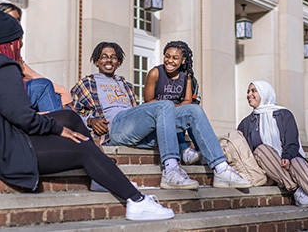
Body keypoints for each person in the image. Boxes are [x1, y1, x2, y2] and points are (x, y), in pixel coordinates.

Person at [0, 11, 173, 221]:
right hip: (1, 149)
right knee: (82, 148)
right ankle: (136, 201)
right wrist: (57, 130)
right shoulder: (5, 67)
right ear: (11, 41)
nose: (21, 45)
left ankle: (100, 174)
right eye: (19, 40)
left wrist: (60, 125)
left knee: (69, 116)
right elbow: (24, 118)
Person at [71, 42, 252, 190]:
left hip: (134, 128)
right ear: (96, 60)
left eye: (113, 57)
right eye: (104, 56)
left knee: (193, 110)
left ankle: (221, 169)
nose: (109, 60)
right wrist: (91, 120)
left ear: (118, 62)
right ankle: (171, 169)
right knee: (164, 104)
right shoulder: (87, 82)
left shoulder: (125, 84)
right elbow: (71, 112)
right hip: (115, 128)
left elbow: (138, 111)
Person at [238, 80, 308, 230]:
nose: (249, 95)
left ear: (265, 93)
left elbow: (292, 141)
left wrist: (287, 156)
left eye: (253, 91)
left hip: (290, 162)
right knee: (261, 149)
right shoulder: (246, 123)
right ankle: (296, 190)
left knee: (297, 162)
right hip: (269, 170)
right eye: (248, 91)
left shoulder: (283, 114)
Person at [0, 2, 71, 112]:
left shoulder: (7, 44)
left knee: (56, 97)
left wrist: (60, 90)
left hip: (4, 91)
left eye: (18, 20)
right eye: (11, 19)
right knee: (44, 87)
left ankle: (66, 125)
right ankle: (57, 128)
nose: (16, 24)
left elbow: (29, 73)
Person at [144, 40, 202, 165]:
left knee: (191, 114)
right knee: (172, 116)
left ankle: (200, 149)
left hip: (177, 110)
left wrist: (176, 108)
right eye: (167, 56)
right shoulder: (155, 73)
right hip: (157, 114)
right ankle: (184, 152)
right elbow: (148, 101)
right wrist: (172, 108)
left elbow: (188, 101)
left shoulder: (187, 76)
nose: (170, 61)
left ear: (183, 60)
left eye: (175, 58)